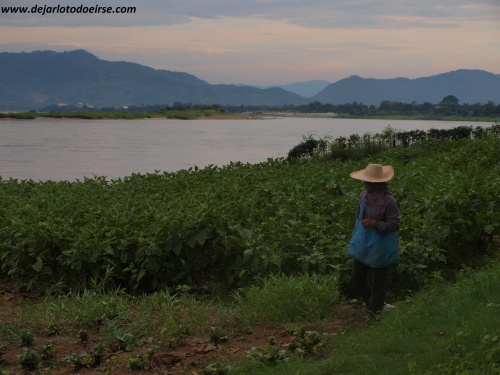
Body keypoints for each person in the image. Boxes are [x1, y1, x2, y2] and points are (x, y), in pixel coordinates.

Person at [348, 163, 400, 318]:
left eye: (369, 182)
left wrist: (375, 224)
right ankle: (372, 306)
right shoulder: (363, 196)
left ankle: (374, 316)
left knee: (378, 282)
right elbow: (358, 217)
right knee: (357, 277)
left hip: (381, 246)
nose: (366, 185)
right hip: (365, 243)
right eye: (366, 182)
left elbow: (394, 224)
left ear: (378, 183)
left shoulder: (389, 202)